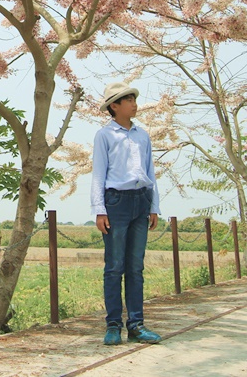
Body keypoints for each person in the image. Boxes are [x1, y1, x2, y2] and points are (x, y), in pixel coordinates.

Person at [91, 81, 161, 346]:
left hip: (141, 200)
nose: (134, 103)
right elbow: (99, 174)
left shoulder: (143, 135)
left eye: (133, 98)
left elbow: (150, 171)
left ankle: (136, 324)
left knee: (135, 267)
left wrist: (154, 206)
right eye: (128, 100)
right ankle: (112, 325)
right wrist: (100, 210)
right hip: (116, 202)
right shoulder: (105, 135)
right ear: (114, 106)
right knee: (114, 267)